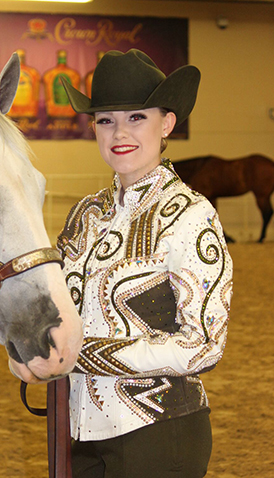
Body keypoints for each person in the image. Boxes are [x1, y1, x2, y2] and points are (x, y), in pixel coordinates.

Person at [53, 49, 233, 478]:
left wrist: (86, 356)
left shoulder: (191, 214)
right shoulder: (86, 213)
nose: (119, 132)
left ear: (166, 123)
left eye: (136, 117)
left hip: (156, 434)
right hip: (76, 432)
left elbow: (205, 345)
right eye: (105, 119)